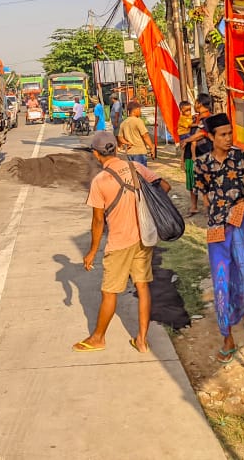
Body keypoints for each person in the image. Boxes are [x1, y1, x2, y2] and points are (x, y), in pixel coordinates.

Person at [73, 131, 171, 354]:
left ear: (97, 155)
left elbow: (98, 222)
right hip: (143, 238)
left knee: (109, 292)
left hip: (119, 242)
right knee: (142, 286)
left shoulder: (100, 181)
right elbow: (164, 186)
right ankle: (142, 340)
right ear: (115, 149)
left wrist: (92, 252)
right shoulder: (136, 167)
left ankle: (98, 338)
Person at [193, 112, 244, 364]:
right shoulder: (202, 164)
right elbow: (204, 195)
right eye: (222, 134)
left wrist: (242, 206)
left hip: (241, 225)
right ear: (211, 137)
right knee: (221, 281)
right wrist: (215, 214)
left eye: (230, 133)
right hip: (216, 229)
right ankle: (227, 336)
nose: (228, 138)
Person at [180, 94, 214, 216]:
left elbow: (202, 134)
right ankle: (194, 207)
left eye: (195, 102)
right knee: (191, 181)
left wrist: (187, 140)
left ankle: (209, 207)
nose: (194, 105)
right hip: (190, 154)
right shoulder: (194, 119)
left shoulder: (209, 118)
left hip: (204, 153)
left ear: (199, 103)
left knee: (207, 181)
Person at [117, 100, 155, 165]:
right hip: (139, 151)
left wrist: (127, 143)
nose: (140, 112)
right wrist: (152, 147)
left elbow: (120, 138)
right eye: (139, 109)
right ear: (135, 110)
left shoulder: (123, 123)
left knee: (134, 172)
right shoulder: (138, 121)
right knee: (141, 172)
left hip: (130, 152)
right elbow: (145, 135)